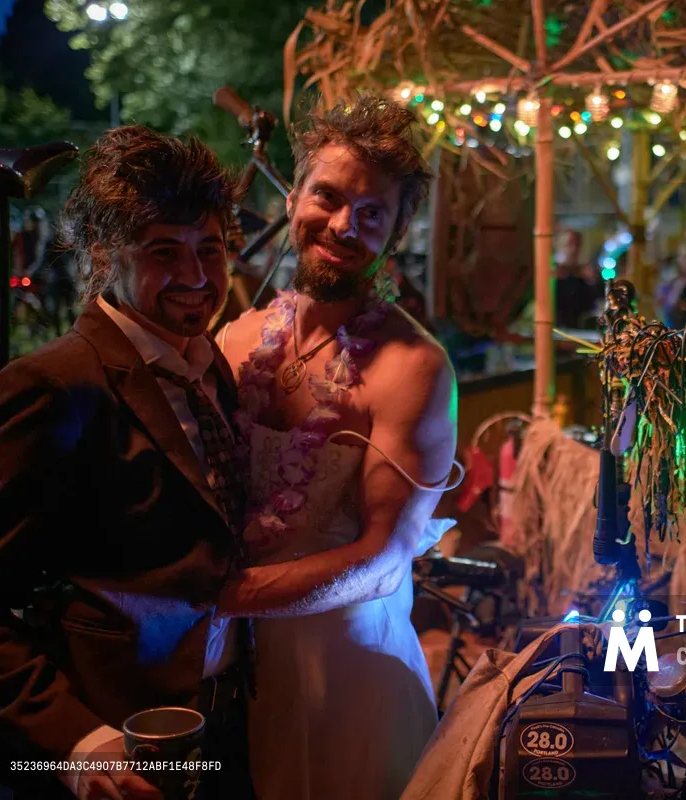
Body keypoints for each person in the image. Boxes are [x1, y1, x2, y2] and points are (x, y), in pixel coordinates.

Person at [0, 126, 253, 799]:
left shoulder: (211, 366)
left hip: (224, 728)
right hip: (111, 748)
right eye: (164, 252)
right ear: (107, 255)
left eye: (210, 250)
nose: (195, 278)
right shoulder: (51, 384)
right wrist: (79, 743)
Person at [216, 93, 458, 800]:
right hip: (236, 671)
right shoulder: (234, 341)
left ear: (397, 231)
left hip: (353, 678)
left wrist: (228, 596)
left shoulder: (414, 365)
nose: (345, 225)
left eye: (372, 212)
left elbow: (385, 556)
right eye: (328, 195)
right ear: (293, 197)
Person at [554, 228, 602, 328]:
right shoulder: (552, 276)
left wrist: (592, 282)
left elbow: (596, 304)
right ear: (559, 247)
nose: (574, 249)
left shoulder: (586, 276)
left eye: (577, 245)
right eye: (569, 244)